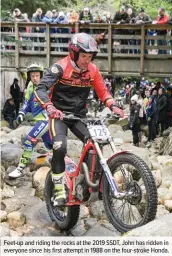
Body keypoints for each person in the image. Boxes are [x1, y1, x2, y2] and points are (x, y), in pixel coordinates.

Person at [34, 33, 124, 206]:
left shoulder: (93, 70)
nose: (86, 60)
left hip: (78, 116)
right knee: (60, 147)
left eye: (90, 56)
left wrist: (113, 105)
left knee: (95, 144)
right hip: (58, 114)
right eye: (83, 56)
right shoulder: (59, 68)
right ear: (74, 53)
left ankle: (88, 183)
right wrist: (49, 107)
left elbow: (103, 92)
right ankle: (59, 190)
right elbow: (40, 89)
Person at [9, 64, 52, 178]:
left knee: (29, 140)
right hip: (39, 120)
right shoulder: (30, 86)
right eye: (32, 76)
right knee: (51, 145)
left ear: (41, 75)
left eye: (37, 75)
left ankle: (20, 168)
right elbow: (27, 102)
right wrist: (21, 113)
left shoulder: (48, 86)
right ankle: (63, 164)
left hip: (46, 120)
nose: (35, 78)